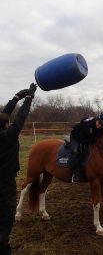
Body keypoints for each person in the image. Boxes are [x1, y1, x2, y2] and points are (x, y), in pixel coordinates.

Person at [0, 83, 37, 255]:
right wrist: (28, 99)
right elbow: (20, 118)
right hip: (5, 181)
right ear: (6, 125)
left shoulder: (4, 131)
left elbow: (5, 116)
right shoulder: (7, 136)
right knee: (7, 214)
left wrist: (17, 97)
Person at [68, 111, 103, 182]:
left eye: (102, 124)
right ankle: (73, 174)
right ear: (97, 119)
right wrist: (92, 141)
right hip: (77, 136)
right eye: (99, 122)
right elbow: (83, 139)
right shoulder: (88, 126)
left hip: (87, 138)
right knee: (76, 152)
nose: (99, 125)